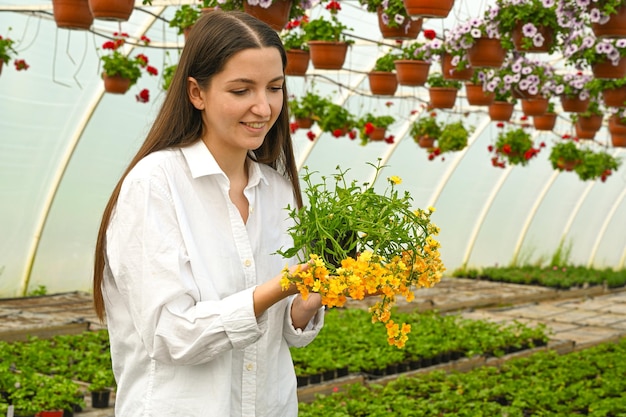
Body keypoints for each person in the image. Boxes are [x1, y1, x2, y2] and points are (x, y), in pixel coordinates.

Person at [92, 10, 324, 417]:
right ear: (197, 93)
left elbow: (286, 335)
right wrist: (279, 286)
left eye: (274, 88)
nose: (264, 107)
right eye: (241, 90)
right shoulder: (156, 183)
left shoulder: (279, 192)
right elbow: (171, 334)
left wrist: (309, 300)